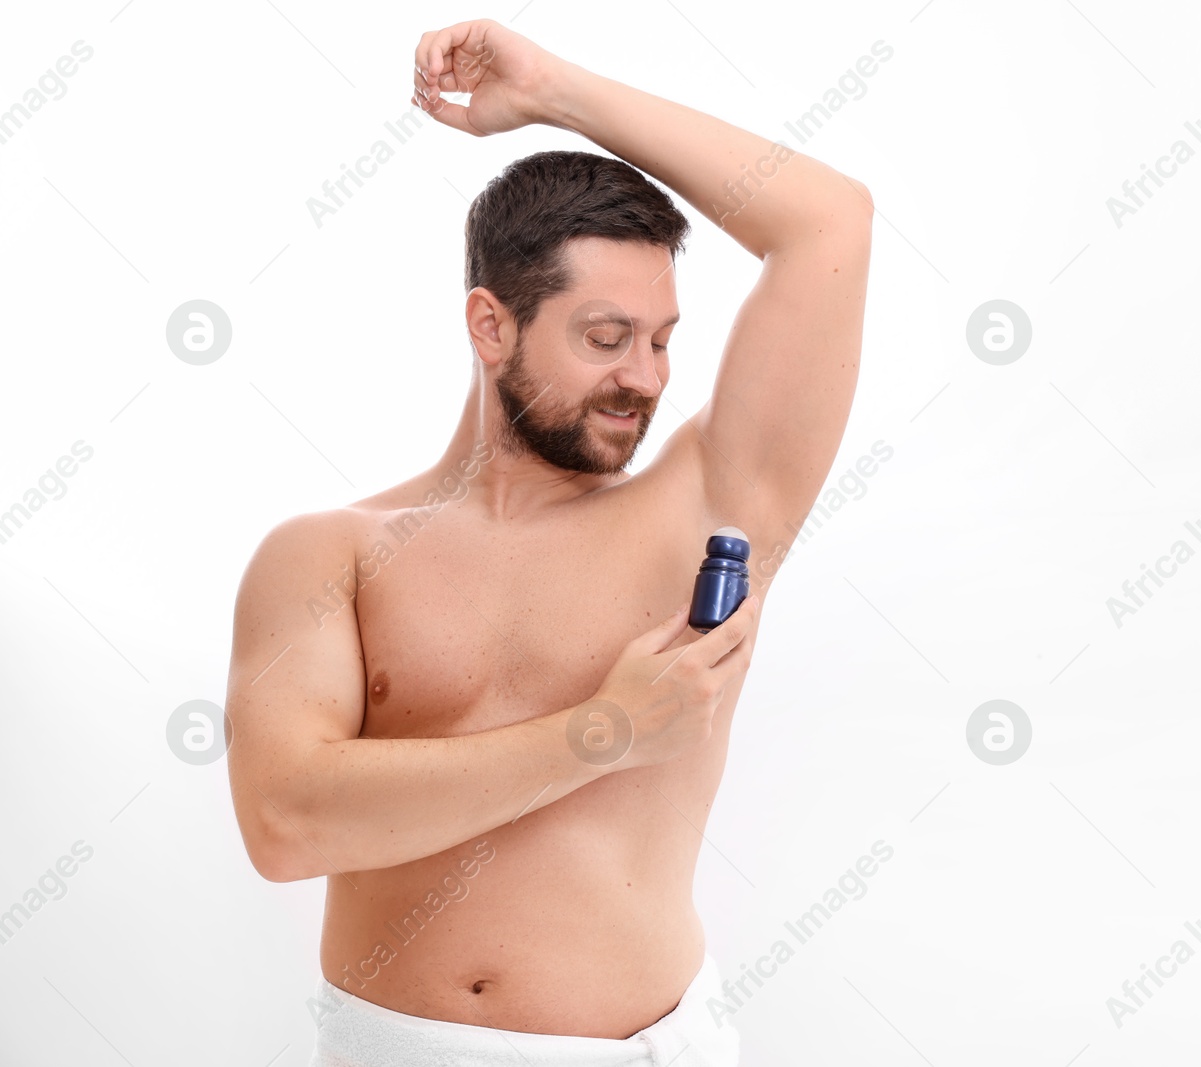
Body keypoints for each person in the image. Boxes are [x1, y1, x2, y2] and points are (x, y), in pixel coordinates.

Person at [222, 18, 873, 1066]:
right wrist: (601, 731)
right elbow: (288, 820)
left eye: (662, 340)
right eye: (605, 338)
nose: (648, 378)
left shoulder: (708, 505)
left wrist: (555, 91)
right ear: (491, 325)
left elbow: (830, 222)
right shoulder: (328, 554)